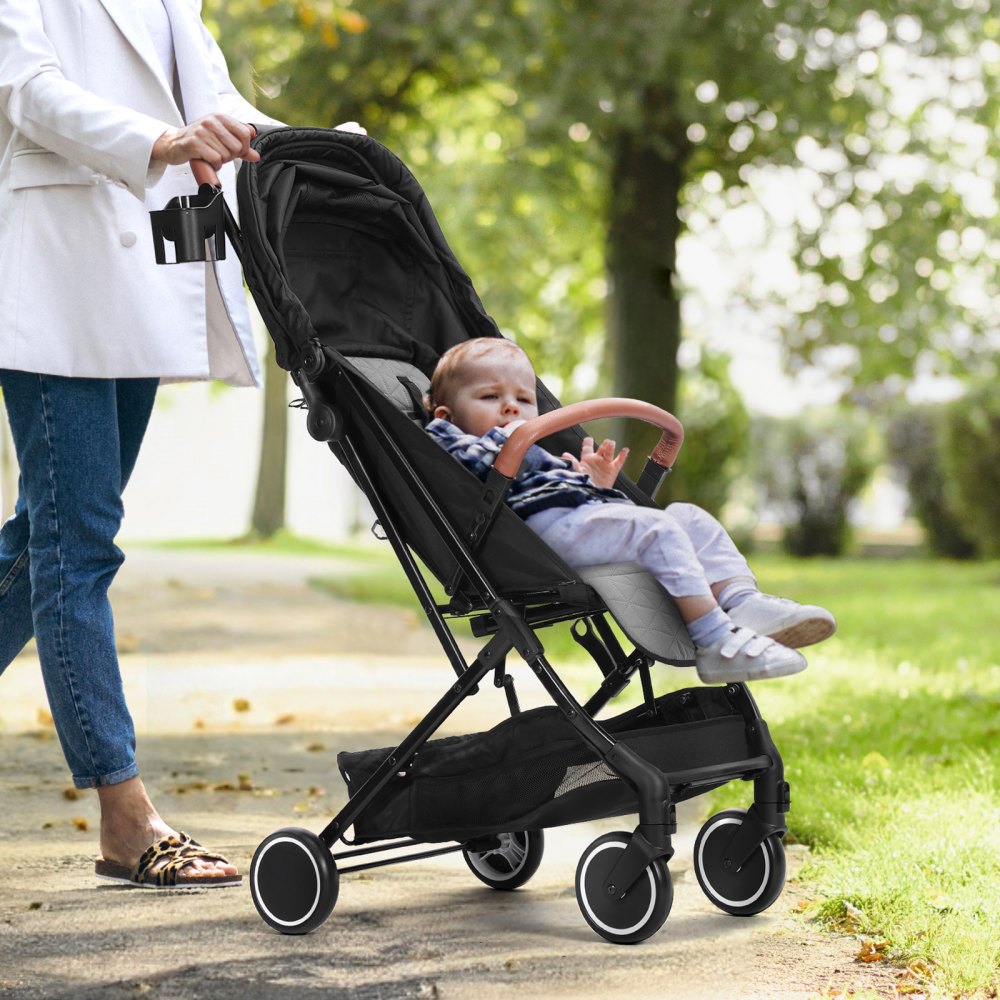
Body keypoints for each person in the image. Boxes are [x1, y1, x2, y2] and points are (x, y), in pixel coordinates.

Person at [0, 0, 355, 889]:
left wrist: (323, 149)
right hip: (54, 276)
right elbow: (28, 91)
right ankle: (127, 820)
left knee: (43, 541)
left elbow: (215, 101)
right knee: (77, 548)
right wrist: (163, 142)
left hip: (134, 281)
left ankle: (124, 814)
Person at [424, 339, 836, 683]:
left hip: (575, 519)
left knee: (687, 516)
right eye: (490, 397)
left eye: (524, 399)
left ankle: (742, 603)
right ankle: (715, 641)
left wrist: (594, 482)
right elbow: (474, 464)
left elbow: (567, 494)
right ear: (446, 414)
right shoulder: (451, 441)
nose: (511, 408)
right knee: (655, 530)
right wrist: (510, 441)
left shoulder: (533, 452)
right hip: (537, 538)